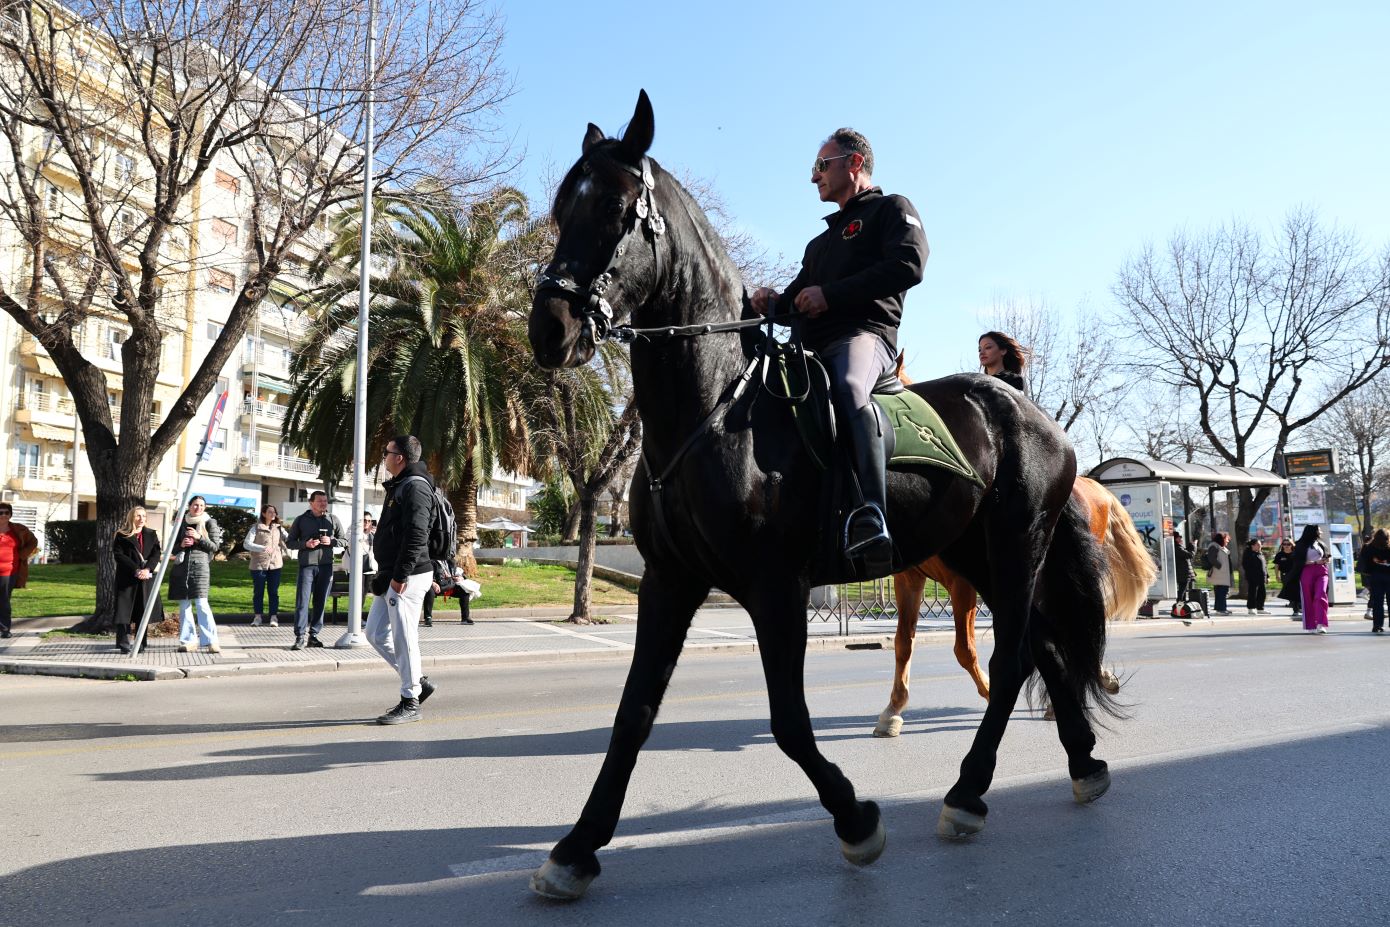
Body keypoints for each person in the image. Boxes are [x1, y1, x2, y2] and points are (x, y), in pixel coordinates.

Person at [750, 128, 928, 569]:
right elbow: (795, 301)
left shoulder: (892, 209)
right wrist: (771, 302)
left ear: (853, 163)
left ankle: (873, 515)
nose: (814, 178)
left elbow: (910, 264)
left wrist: (831, 295)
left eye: (821, 166)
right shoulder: (820, 243)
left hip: (865, 337)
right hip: (812, 348)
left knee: (849, 388)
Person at [367, 435, 438, 724]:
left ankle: (411, 700)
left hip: (407, 576)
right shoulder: (400, 485)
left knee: (404, 637)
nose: (383, 456)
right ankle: (418, 680)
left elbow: (417, 535)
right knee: (374, 633)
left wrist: (401, 575)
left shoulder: (416, 488)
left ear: (400, 458)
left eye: (387, 452)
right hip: (391, 575)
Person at [286, 491, 347, 649]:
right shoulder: (301, 520)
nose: (323, 504)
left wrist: (332, 541)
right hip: (307, 566)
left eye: (325, 501)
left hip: (326, 566)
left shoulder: (332, 519)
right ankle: (299, 636)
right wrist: (305, 544)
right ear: (311, 502)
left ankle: (313, 635)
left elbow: (344, 540)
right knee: (303, 602)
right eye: (319, 501)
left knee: (320, 602)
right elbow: (290, 542)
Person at [169, 496, 223, 653]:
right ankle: (188, 641)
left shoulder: (209, 522)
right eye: (195, 505)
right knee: (184, 606)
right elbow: (172, 547)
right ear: (189, 506)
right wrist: (181, 544)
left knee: (202, 604)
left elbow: (214, 546)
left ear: (204, 507)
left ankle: (211, 641)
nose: (198, 508)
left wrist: (199, 538)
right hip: (181, 567)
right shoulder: (181, 522)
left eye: (201, 505)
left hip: (200, 567)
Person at [112, 506, 161, 654]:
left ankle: (141, 643)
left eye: (144, 516)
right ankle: (123, 644)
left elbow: (156, 554)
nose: (141, 519)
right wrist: (136, 569)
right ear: (131, 517)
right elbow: (119, 555)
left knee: (142, 611)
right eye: (138, 516)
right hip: (127, 578)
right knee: (123, 611)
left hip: (145, 578)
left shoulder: (152, 534)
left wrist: (147, 570)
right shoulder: (121, 535)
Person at [244, 504, 289, 627]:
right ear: (264, 513)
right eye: (270, 512)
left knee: (273, 592)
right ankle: (257, 617)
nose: (273, 514)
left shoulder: (279, 528)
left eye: (274, 512)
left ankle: (273, 617)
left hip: (275, 564)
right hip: (258, 565)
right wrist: (262, 548)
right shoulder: (255, 528)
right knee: (258, 592)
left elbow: (289, 539)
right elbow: (247, 544)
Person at [0, 502, 40, 639]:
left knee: (4, 600)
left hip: (9, 570)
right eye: (1, 512)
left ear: (10, 514)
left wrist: (22, 555)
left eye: (7, 512)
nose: (3, 515)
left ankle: (4, 629)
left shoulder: (18, 529)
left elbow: (33, 541)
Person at [1295, 524, 1331, 633]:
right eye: (1319, 530)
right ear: (1313, 531)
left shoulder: (1321, 543)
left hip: (1322, 572)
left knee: (1320, 595)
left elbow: (1326, 555)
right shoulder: (1300, 544)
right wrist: (1315, 562)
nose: (1321, 532)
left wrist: (1326, 560)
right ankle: (1311, 625)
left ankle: (1321, 623)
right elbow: (1298, 562)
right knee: (1308, 599)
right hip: (1307, 572)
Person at [1357, 529, 1390, 633]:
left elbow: (1363, 564)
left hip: (1375, 576)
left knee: (1377, 602)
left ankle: (1377, 625)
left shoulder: (1368, 548)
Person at [1273, 538, 1301, 618]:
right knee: (1289, 592)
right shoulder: (1280, 555)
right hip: (1285, 575)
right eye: (1284, 544)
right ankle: (1296, 607)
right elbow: (1276, 566)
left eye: (1288, 544)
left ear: (1292, 545)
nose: (1286, 546)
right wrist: (1277, 575)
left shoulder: (1296, 553)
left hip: (1296, 575)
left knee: (1295, 592)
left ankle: (1296, 609)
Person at [1206, 532, 1232, 615]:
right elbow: (1211, 558)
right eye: (1227, 539)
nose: (1228, 541)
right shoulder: (1214, 546)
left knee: (1222, 591)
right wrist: (1220, 566)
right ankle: (1221, 609)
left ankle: (1221, 608)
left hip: (1222, 574)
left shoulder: (1220, 547)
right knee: (1221, 591)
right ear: (1222, 538)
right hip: (1219, 573)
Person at [1242, 539, 1269, 615]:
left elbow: (1264, 566)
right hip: (1253, 577)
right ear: (1252, 545)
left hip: (1262, 577)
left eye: (1260, 544)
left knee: (1262, 593)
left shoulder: (1260, 554)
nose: (1260, 546)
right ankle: (1251, 608)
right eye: (1258, 544)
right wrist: (1252, 574)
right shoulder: (1248, 554)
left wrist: (1267, 576)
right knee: (1253, 593)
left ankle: (1260, 608)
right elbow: (1245, 565)